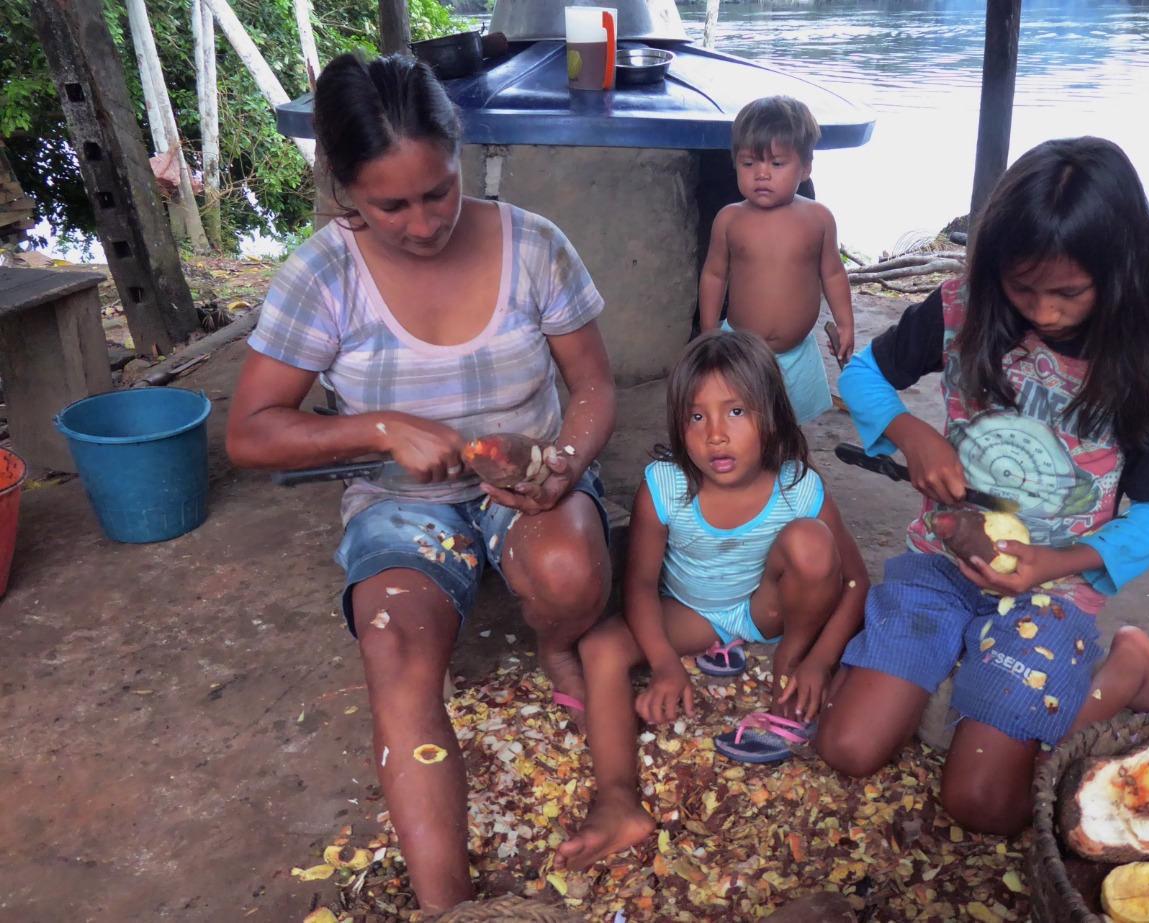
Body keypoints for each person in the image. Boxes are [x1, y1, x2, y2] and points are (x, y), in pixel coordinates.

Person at [225, 54, 615, 913]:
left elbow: (592, 387)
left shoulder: (534, 243)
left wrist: (563, 464)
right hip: (401, 506)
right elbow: (250, 432)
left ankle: (557, 641)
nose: (423, 221)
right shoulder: (324, 274)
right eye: (389, 205)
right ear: (343, 190)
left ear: (458, 150)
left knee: (570, 576)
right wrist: (377, 427)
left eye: (438, 191)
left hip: (526, 483)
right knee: (394, 645)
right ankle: (453, 906)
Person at [814, 137, 1149, 835]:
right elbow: (863, 375)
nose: (1043, 312)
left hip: (1051, 590)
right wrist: (913, 433)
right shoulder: (964, 306)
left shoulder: (1145, 365)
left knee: (984, 805)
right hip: (944, 558)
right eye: (1023, 287)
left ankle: (1131, 667)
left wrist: (1059, 562)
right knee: (847, 748)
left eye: (1068, 293)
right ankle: (953, 663)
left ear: (1119, 275)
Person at [553, 329, 869, 871]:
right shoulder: (666, 486)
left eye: (736, 411)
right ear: (678, 424)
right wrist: (663, 664)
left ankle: (785, 661)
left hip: (765, 609)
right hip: (691, 613)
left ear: (770, 414)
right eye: (697, 417)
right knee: (602, 649)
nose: (716, 436)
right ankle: (617, 800)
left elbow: (855, 582)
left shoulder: (797, 485)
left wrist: (815, 662)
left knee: (812, 545)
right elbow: (638, 586)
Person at [698, 95, 856, 424]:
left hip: (796, 353)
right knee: (741, 424)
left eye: (777, 163)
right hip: (739, 350)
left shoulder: (818, 218)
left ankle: (785, 474)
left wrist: (845, 323)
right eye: (749, 163)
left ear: (806, 167)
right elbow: (714, 275)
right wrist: (709, 331)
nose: (762, 174)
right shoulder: (729, 220)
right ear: (735, 164)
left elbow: (833, 273)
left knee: (788, 428)